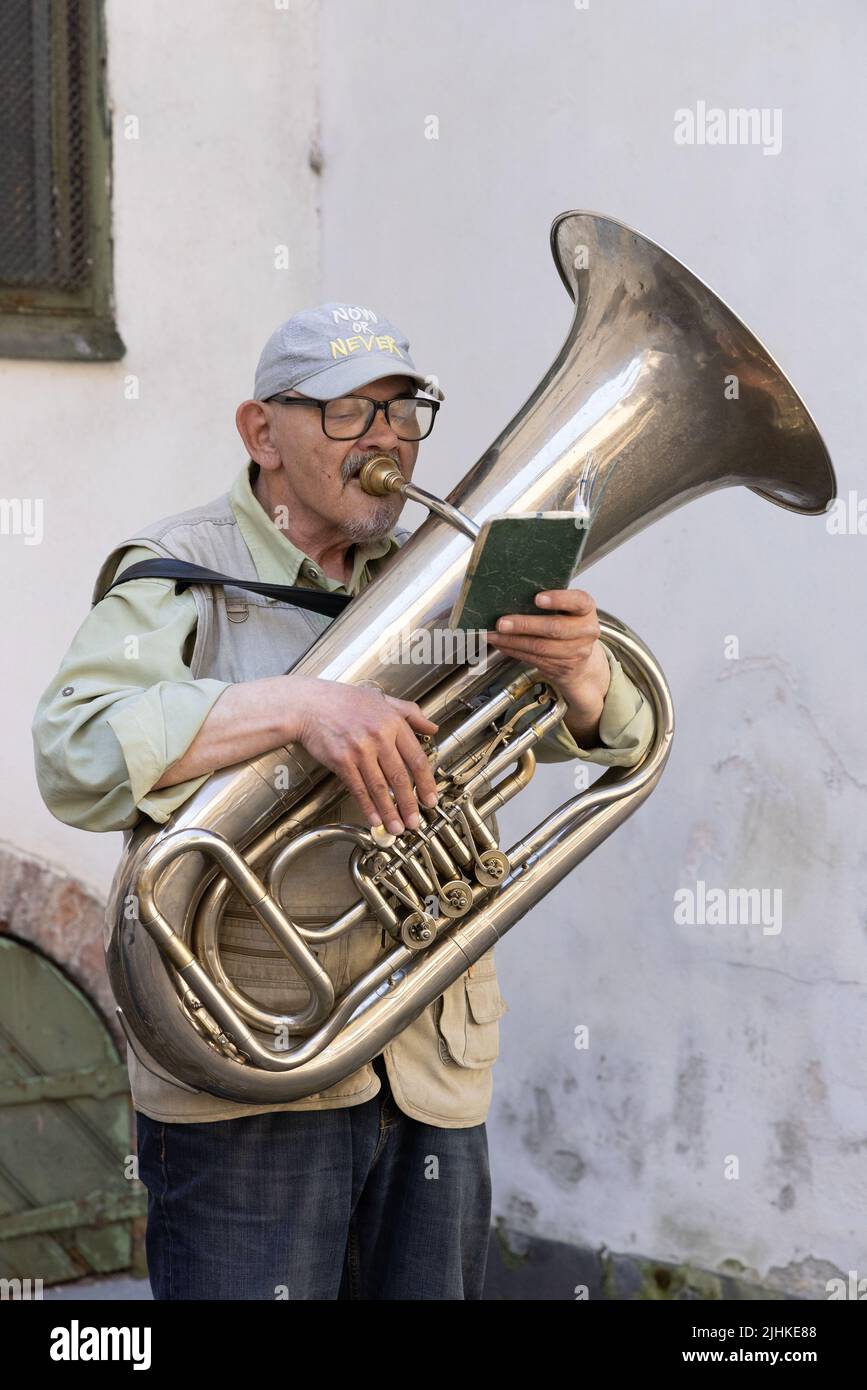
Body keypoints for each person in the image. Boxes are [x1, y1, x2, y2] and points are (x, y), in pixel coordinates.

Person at [32, 303, 654, 1300]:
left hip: (429, 1067)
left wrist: (580, 673)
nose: (388, 441)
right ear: (260, 432)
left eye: (406, 414)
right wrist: (292, 706)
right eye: (347, 413)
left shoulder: (450, 573)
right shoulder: (178, 572)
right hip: (250, 1066)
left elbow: (623, 736)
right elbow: (71, 755)